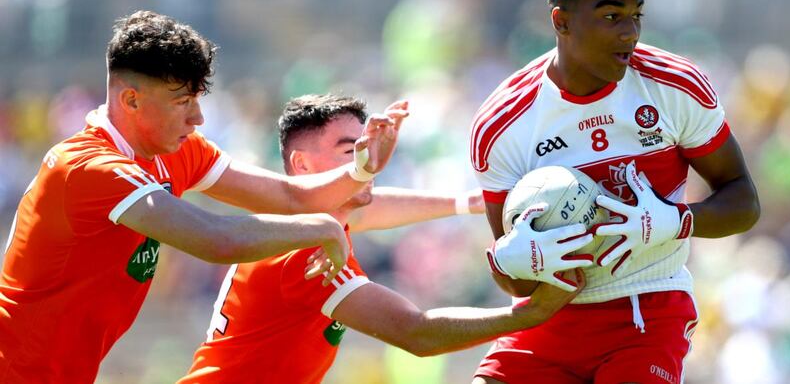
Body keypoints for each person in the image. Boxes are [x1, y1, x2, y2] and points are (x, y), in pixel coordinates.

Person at [0, 11, 408, 383]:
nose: (197, 117)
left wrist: (362, 170)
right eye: (183, 101)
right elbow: (214, 238)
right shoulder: (88, 168)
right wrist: (319, 228)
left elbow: (287, 194)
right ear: (131, 100)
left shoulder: (176, 150)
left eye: (197, 99)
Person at [471, 0, 760, 383]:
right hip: (549, 315)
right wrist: (512, 262)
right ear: (561, 22)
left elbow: (743, 201)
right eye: (611, 16)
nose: (629, 33)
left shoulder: (676, 87)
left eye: (635, 16)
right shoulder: (502, 123)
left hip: (647, 304)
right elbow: (514, 280)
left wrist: (678, 220)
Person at [177, 94, 585, 384]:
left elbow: (372, 207)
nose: (365, 161)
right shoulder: (306, 251)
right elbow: (416, 333)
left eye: (366, 145)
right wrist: (527, 315)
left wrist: (470, 202)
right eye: (349, 150)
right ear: (301, 165)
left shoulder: (307, 222)